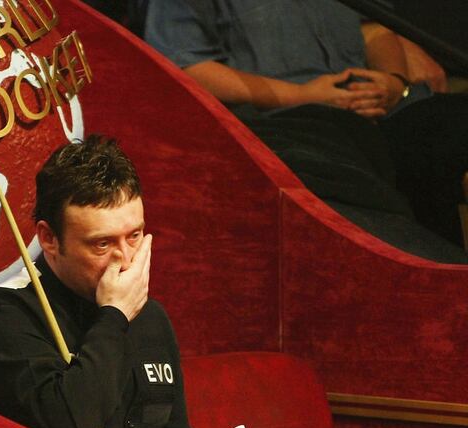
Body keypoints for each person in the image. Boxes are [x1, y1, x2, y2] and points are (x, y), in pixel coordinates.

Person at [142, 0, 468, 260]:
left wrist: (394, 81)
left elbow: (372, 28)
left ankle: (451, 285)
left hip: (387, 111)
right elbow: (184, 66)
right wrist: (304, 95)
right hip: (292, 122)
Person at [0, 135, 209, 428]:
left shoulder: (149, 316)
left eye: (134, 236)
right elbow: (70, 427)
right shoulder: (4, 317)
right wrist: (113, 318)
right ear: (49, 239)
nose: (125, 260)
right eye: (102, 244)